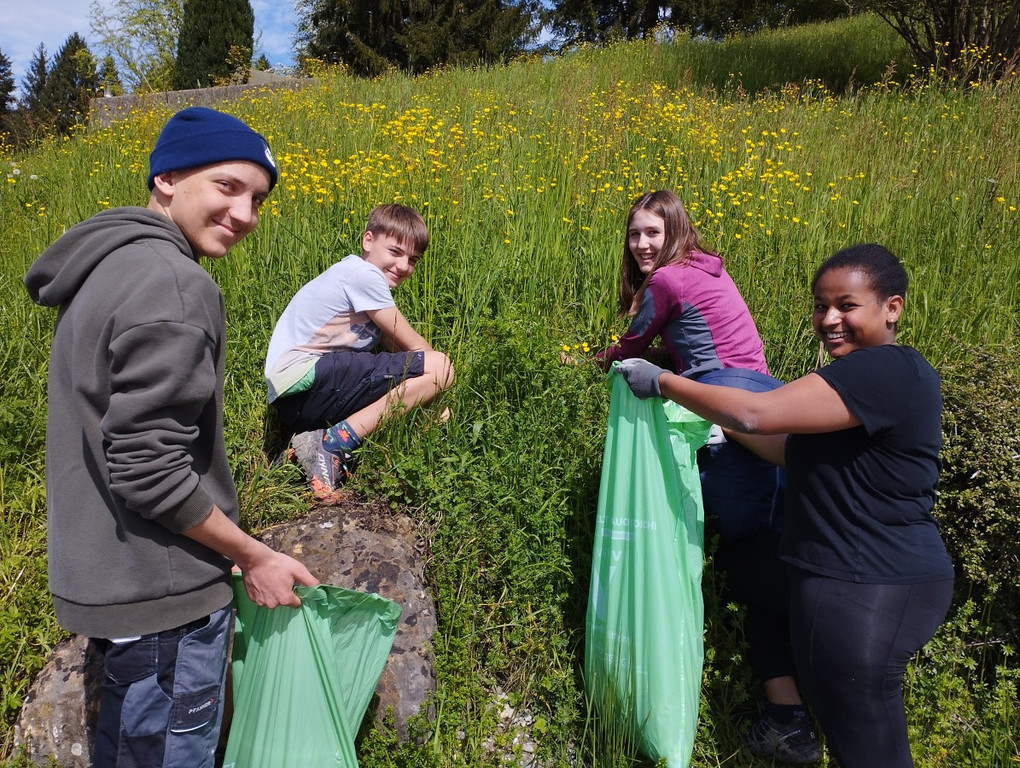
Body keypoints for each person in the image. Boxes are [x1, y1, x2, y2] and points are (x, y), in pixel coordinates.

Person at [24, 106, 318, 768]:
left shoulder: (105, 269)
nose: (245, 214)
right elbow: (147, 470)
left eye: (258, 198)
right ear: (167, 179)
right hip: (165, 604)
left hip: (116, 592)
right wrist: (255, 556)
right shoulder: (175, 286)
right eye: (226, 186)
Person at [616, 243, 955, 768]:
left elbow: (758, 413)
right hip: (859, 575)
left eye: (847, 305)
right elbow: (787, 449)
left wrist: (663, 383)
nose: (830, 319)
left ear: (893, 308)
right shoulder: (858, 388)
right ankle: (785, 720)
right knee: (749, 569)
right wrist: (713, 423)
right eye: (822, 306)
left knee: (869, 747)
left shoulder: (884, 369)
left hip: (869, 584)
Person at [597, 190, 820, 763]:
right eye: (634, 234)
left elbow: (632, 346)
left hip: (728, 411)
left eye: (653, 232)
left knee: (742, 551)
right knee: (767, 543)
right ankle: (792, 705)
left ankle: (803, 691)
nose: (642, 244)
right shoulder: (707, 269)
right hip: (767, 399)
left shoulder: (668, 281)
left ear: (676, 231)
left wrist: (588, 361)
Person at [264, 203, 453, 495]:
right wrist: (443, 399)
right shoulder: (362, 275)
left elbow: (402, 356)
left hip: (296, 401)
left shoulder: (363, 294)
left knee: (420, 374)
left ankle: (309, 444)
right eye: (395, 252)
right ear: (368, 240)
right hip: (305, 375)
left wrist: (428, 398)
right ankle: (336, 442)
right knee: (441, 367)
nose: (404, 266)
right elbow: (420, 352)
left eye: (413, 260)